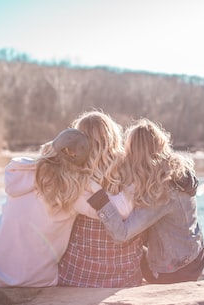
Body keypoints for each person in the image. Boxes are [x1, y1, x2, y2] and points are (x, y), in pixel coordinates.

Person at [0, 128, 100, 288]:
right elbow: (108, 212)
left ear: (52, 149)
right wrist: (93, 183)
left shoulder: (21, 171)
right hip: (38, 279)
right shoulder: (75, 192)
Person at [88, 118, 204, 284]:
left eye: (128, 150)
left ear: (135, 155)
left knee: (128, 250)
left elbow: (121, 234)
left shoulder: (163, 191)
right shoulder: (175, 171)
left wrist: (99, 199)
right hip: (196, 253)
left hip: (177, 269)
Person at [58, 110, 144, 288]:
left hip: (78, 276)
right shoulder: (132, 169)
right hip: (124, 276)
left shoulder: (73, 174)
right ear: (112, 137)